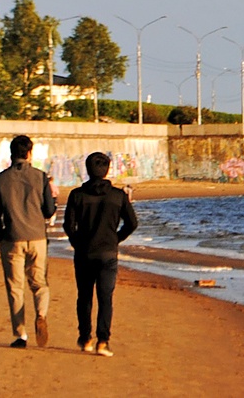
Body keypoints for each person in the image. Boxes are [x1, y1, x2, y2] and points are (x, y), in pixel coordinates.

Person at [63, 152, 137, 357]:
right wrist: (116, 238)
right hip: (107, 253)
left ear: (87, 170)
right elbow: (132, 223)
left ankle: (85, 338)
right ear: (107, 170)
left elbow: (68, 225)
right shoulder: (118, 196)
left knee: (84, 296)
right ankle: (103, 342)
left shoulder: (77, 195)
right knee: (105, 298)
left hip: (84, 252)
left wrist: (77, 242)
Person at [0, 135, 55, 348]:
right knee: (39, 283)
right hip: (37, 236)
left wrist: (1, 234)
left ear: (11, 153)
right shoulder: (41, 177)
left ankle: (20, 334)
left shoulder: (1, 179)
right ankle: (41, 314)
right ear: (29, 153)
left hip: (12, 238)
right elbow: (48, 211)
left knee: (15, 287)